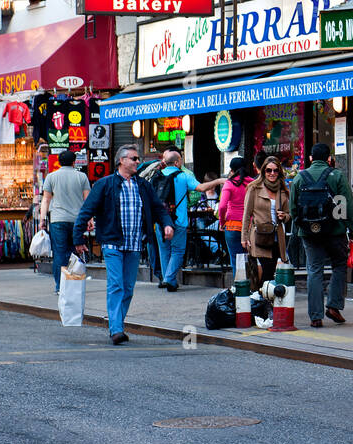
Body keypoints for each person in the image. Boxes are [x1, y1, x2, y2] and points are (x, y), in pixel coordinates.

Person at [74, 145, 173, 344]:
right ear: (121, 161)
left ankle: (117, 322)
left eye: (137, 159)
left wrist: (167, 224)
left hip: (135, 244)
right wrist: (78, 238)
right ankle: (116, 329)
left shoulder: (143, 185)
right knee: (116, 285)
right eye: (134, 159)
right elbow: (86, 211)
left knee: (128, 288)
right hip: (112, 244)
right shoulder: (105, 184)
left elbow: (158, 208)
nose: (137, 162)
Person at [289, 142, 353, 327]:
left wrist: (303, 225)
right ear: (329, 159)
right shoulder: (337, 176)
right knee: (339, 265)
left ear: (310, 158)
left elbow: (293, 209)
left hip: (309, 233)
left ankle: (316, 317)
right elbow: (346, 204)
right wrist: (351, 228)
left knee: (314, 270)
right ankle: (334, 306)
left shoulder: (299, 178)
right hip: (335, 231)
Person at [151, 150, 220, 292]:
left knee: (164, 251)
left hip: (160, 221)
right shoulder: (183, 176)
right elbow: (201, 187)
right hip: (179, 220)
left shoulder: (157, 176)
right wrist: (219, 181)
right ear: (177, 162)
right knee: (177, 251)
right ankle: (169, 279)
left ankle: (168, 279)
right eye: (180, 160)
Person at [40, 149, 91, 293]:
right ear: (74, 162)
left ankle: (59, 286)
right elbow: (88, 201)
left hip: (58, 220)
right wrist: (90, 219)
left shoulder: (51, 177)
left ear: (59, 162)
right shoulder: (82, 177)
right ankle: (73, 284)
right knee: (74, 252)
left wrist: (42, 219)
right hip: (77, 220)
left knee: (59, 253)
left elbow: (46, 199)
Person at [241, 157, 290, 285]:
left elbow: (289, 214)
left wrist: (284, 216)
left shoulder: (283, 190)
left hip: (277, 237)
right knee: (267, 270)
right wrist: (244, 237)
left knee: (271, 270)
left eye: (275, 170)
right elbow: (246, 215)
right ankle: (263, 300)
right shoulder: (254, 188)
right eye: (269, 170)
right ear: (263, 171)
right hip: (260, 236)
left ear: (279, 172)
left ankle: (263, 299)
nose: (272, 173)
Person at [217, 157, 255, 264]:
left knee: (236, 261)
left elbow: (222, 206)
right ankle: (252, 281)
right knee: (252, 259)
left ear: (231, 170)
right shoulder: (253, 183)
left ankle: (239, 281)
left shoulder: (229, 184)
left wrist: (222, 222)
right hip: (250, 226)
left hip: (233, 225)